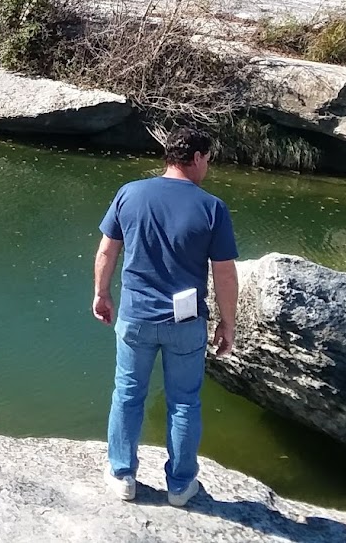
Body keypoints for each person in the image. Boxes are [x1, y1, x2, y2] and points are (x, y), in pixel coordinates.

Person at [92, 126, 238, 506]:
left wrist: (101, 293)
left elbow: (107, 252)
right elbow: (224, 272)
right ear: (198, 158)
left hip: (137, 317)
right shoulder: (212, 207)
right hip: (186, 325)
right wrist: (228, 322)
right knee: (185, 402)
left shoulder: (130, 193)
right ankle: (180, 485)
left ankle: (123, 475)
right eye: (208, 159)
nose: (208, 167)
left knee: (127, 395)